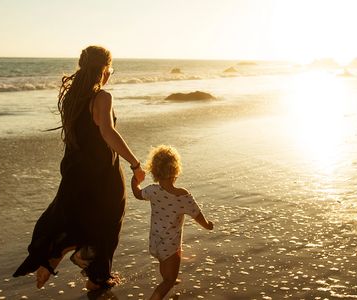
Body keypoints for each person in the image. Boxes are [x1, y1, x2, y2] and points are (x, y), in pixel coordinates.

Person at [13, 46, 146, 291]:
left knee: (77, 214)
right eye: (110, 70)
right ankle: (95, 275)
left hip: (75, 169)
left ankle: (57, 258)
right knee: (109, 219)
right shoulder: (102, 97)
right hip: (102, 171)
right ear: (104, 70)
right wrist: (136, 164)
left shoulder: (72, 97)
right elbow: (108, 132)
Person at [131, 145, 213, 300]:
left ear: (154, 171)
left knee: (165, 263)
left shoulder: (152, 190)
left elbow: (137, 194)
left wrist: (134, 182)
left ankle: (168, 278)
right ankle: (165, 285)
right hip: (170, 245)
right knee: (170, 279)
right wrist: (208, 225)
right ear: (176, 170)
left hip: (154, 242)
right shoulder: (182, 196)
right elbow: (197, 216)